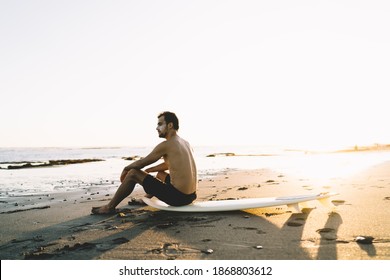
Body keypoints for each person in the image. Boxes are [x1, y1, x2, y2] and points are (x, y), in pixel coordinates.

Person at [91, 111, 197, 214]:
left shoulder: (167, 144)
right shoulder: (185, 143)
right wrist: (151, 170)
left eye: (160, 124)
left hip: (178, 198)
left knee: (133, 173)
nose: (157, 128)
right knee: (160, 175)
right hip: (191, 195)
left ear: (170, 125)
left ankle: (109, 207)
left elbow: (142, 163)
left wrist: (126, 169)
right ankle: (144, 200)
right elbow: (174, 165)